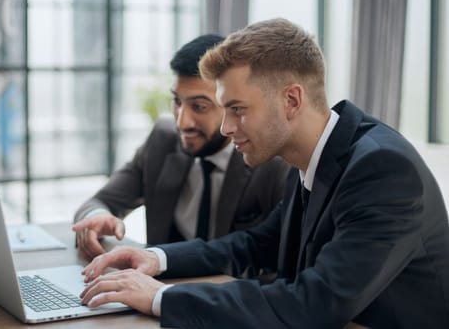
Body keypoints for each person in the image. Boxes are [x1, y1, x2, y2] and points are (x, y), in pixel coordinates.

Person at [77, 18, 449, 328]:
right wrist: (157, 259)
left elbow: (314, 303)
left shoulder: (382, 170)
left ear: (291, 100)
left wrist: (161, 296)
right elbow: (257, 244)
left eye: (237, 109)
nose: (225, 127)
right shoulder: (313, 154)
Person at [72, 34, 289, 261]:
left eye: (199, 106)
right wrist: (97, 216)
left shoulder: (270, 162)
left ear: (231, 104)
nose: (182, 122)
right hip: (154, 288)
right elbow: (100, 201)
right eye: (177, 101)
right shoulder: (163, 141)